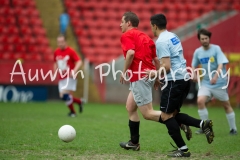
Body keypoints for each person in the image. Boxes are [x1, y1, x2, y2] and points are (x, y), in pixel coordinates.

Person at [118, 11, 192, 154]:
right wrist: (158, 77)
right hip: (148, 75)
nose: (120, 24)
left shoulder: (127, 35)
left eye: (122, 21)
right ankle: (134, 142)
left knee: (147, 113)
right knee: (130, 107)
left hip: (140, 76)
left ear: (128, 23)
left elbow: (131, 53)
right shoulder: (146, 37)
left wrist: (123, 71)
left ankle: (177, 121)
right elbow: (156, 59)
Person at [147, 13, 215, 157]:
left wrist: (154, 74)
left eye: (151, 26)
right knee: (173, 114)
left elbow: (166, 66)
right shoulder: (173, 36)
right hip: (184, 78)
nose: (151, 29)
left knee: (166, 116)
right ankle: (203, 124)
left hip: (174, 81)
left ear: (154, 25)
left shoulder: (161, 41)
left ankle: (183, 150)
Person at [192, 28, 237, 135]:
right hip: (206, 83)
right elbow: (193, 65)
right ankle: (205, 128)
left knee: (226, 105)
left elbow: (221, 64)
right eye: (202, 38)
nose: (204, 40)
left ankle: (233, 129)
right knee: (200, 101)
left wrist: (216, 77)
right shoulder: (198, 52)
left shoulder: (216, 49)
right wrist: (194, 73)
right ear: (199, 40)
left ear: (209, 38)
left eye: (206, 38)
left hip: (219, 82)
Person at [54, 35, 83, 117]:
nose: (60, 44)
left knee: (64, 95)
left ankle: (73, 113)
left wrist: (74, 71)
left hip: (70, 76)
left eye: (62, 42)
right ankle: (79, 102)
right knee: (63, 96)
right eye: (59, 42)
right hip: (61, 77)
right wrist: (55, 71)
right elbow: (55, 62)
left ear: (65, 42)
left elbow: (79, 61)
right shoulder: (56, 52)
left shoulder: (70, 51)